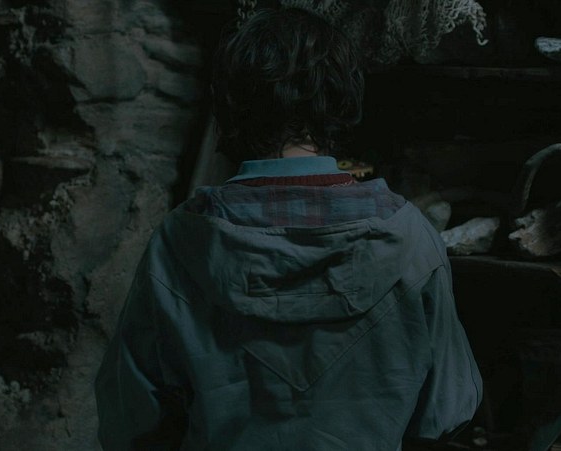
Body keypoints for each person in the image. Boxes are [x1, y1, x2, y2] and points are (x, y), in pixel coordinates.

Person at [95, 7, 482, 450]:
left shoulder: (180, 240)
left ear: (232, 102)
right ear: (341, 97)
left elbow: (130, 419)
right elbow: (447, 410)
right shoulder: (410, 235)